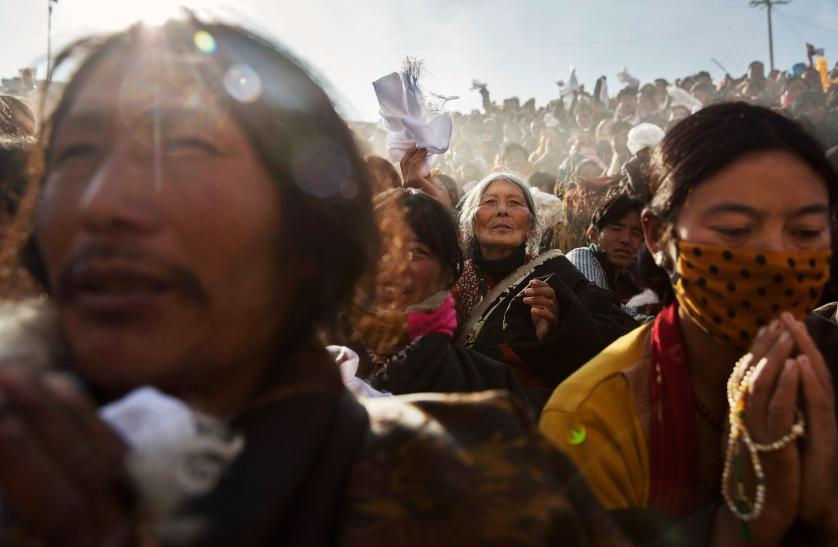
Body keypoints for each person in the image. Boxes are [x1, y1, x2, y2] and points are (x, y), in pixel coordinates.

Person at [3, 15, 629, 546]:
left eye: (186, 150)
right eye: (75, 155)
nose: (104, 201)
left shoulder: (474, 485)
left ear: (305, 229)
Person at [541, 103, 838, 545]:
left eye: (806, 232)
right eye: (735, 230)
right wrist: (747, 528)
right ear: (658, 236)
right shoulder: (593, 418)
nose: (776, 257)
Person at [454, 173, 636, 411]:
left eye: (515, 203)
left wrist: (562, 323)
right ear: (472, 222)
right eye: (490, 202)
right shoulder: (453, 280)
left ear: (530, 227)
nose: (502, 211)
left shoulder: (557, 272)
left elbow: (621, 336)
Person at [346, 188, 529, 404]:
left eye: (416, 251)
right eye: (379, 248)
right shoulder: (319, 356)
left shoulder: (488, 385)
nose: (393, 266)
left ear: (447, 274)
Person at [566, 193, 646, 319]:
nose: (626, 239)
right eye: (616, 228)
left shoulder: (628, 279)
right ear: (593, 234)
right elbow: (599, 306)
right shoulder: (581, 256)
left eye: (635, 233)